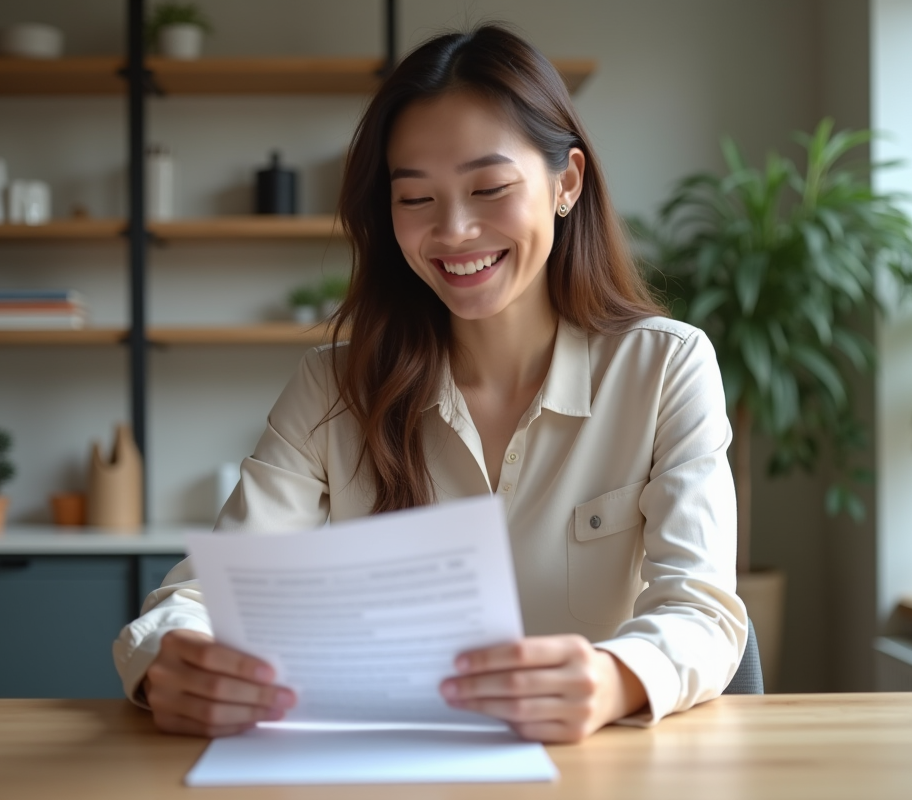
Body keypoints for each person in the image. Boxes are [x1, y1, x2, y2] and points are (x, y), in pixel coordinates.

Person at [114, 24, 747, 744]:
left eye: (489, 188)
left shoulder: (664, 369)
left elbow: (701, 611)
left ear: (566, 182)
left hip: (597, 770)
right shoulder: (332, 385)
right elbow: (200, 597)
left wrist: (612, 680)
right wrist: (171, 659)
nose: (453, 230)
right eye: (415, 198)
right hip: (392, 769)